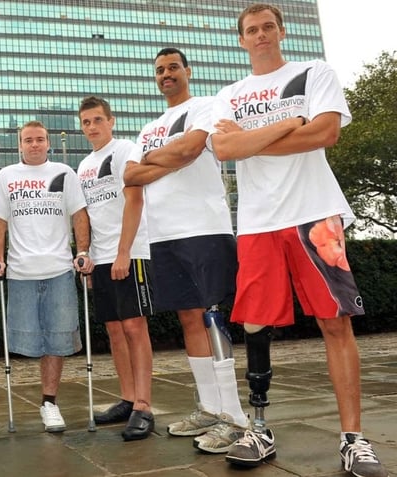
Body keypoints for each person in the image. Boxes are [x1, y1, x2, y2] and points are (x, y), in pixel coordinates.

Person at [209, 5, 390, 476]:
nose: (261, 34)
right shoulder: (230, 94)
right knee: (255, 326)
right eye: (252, 30)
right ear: (242, 40)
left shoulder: (314, 72)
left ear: (281, 32)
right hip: (256, 222)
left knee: (336, 323)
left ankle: (353, 439)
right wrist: (291, 124)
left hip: (314, 216)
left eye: (268, 26)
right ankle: (260, 428)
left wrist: (255, 137)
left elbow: (325, 132)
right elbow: (226, 149)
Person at [122, 47, 250, 453]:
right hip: (162, 235)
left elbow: (193, 148)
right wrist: (170, 157)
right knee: (189, 320)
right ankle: (211, 408)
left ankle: (235, 417)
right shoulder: (148, 127)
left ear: (186, 71)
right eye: (159, 70)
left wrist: (159, 160)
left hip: (204, 227)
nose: (166, 74)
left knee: (213, 317)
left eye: (173, 67)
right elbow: (130, 174)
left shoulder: (205, 106)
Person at [0, 120, 93, 433]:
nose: (34, 145)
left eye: (39, 140)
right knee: (27, 343)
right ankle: (38, 401)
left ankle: (49, 402)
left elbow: (79, 214)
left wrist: (83, 251)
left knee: (57, 340)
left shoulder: (64, 173)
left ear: (48, 143)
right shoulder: (7, 176)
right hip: (21, 272)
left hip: (59, 268)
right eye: (28, 140)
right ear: (20, 145)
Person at [76, 96, 156, 441]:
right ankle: (126, 398)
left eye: (97, 120)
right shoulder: (83, 166)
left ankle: (143, 405)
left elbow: (134, 198)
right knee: (114, 330)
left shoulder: (125, 149)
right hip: (102, 256)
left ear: (111, 120)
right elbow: (90, 217)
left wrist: (123, 252)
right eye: (86, 122)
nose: (92, 127)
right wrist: (91, 257)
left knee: (134, 327)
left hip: (131, 251)